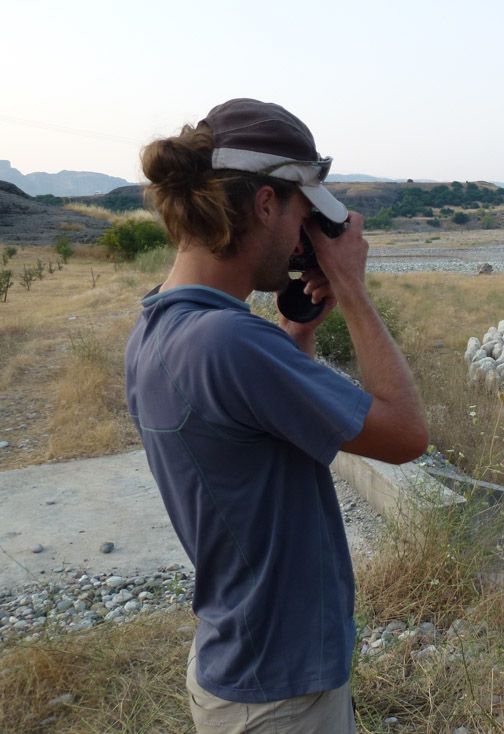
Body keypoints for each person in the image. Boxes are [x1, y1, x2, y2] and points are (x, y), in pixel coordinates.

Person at [125, 98, 428, 732]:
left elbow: (250, 435)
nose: (302, 238)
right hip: (278, 699)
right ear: (266, 204)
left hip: (243, 664)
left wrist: (295, 326)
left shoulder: (161, 326)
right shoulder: (228, 343)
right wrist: (351, 290)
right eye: (301, 214)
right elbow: (405, 434)